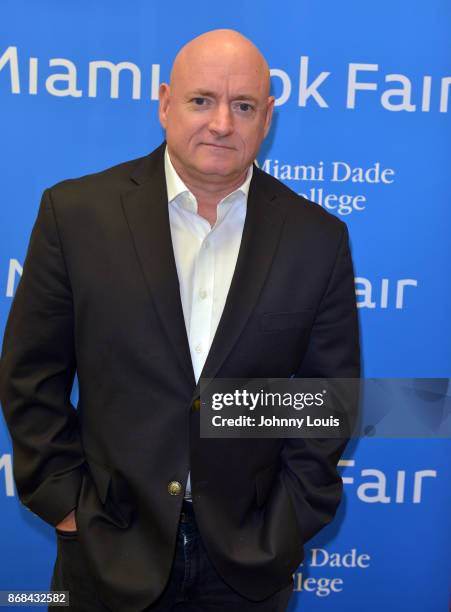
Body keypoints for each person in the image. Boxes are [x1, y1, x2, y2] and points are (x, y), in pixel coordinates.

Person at [0, 29, 360, 611]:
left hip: (248, 564)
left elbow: (325, 399)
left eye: (243, 105)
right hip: (107, 548)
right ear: (165, 102)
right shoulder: (75, 215)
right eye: (201, 100)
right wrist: (69, 508)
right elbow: (30, 376)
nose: (222, 123)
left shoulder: (317, 239)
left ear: (266, 118)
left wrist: (286, 523)